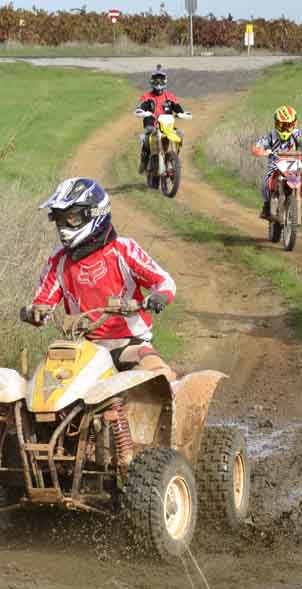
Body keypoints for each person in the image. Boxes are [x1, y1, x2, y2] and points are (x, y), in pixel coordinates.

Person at [22, 177, 177, 377]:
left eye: (72, 219)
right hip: (81, 349)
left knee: (158, 373)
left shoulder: (123, 249)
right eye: (59, 219)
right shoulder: (58, 259)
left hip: (127, 343)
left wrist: (159, 297)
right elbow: (43, 303)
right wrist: (35, 312)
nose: (62, 227)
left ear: (95, 214)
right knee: (44, 389)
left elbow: (165, 282)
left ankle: (175, 400)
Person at [250, 105, 302, 221]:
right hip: (275, 168)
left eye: (288, 125)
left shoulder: (297, 136)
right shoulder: (271, 136)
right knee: (266, 184)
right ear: (276, 124)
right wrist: (260, 150)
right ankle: (267, 205)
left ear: (294, 124)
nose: (285, 129)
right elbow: (259, 145)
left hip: (293, 169)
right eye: (281, 125)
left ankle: (297, 208)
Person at [135, 66, 188, 177]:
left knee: (180, 134)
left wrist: (182, 113)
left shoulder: (170, 96)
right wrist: (141, 111)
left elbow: (177, 107)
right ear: (152, 80)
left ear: (165, 80)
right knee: (145, 139)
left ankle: (174, 160)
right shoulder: (147, 97)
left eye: (161, 79)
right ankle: (143, 162)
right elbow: (140, 107)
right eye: (156, 79)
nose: (158, 82)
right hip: (152, 126)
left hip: (167, 127)